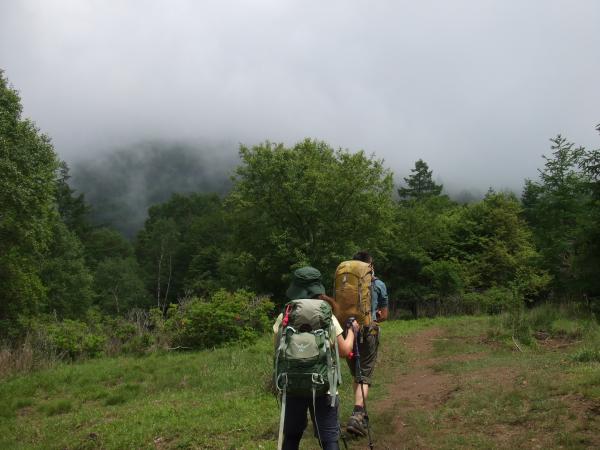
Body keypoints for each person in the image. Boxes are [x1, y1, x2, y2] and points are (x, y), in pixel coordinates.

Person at [274, 266, 359, 450]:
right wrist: (352, 331)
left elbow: (278, 349)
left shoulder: (286, 315)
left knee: (292, 437)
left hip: (292, 385)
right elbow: (344, 350)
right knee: (328, 439)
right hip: (324, 386)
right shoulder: (326, 315)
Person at [345, 251, 389, 437]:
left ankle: (361, 414)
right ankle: (357, 414)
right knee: (364, 375)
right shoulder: (378, 284)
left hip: (347, 331)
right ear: (370, 266)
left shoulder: (346, 283)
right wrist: (375, 314)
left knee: (357, 374)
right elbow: (384, 315)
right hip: (368, 332)